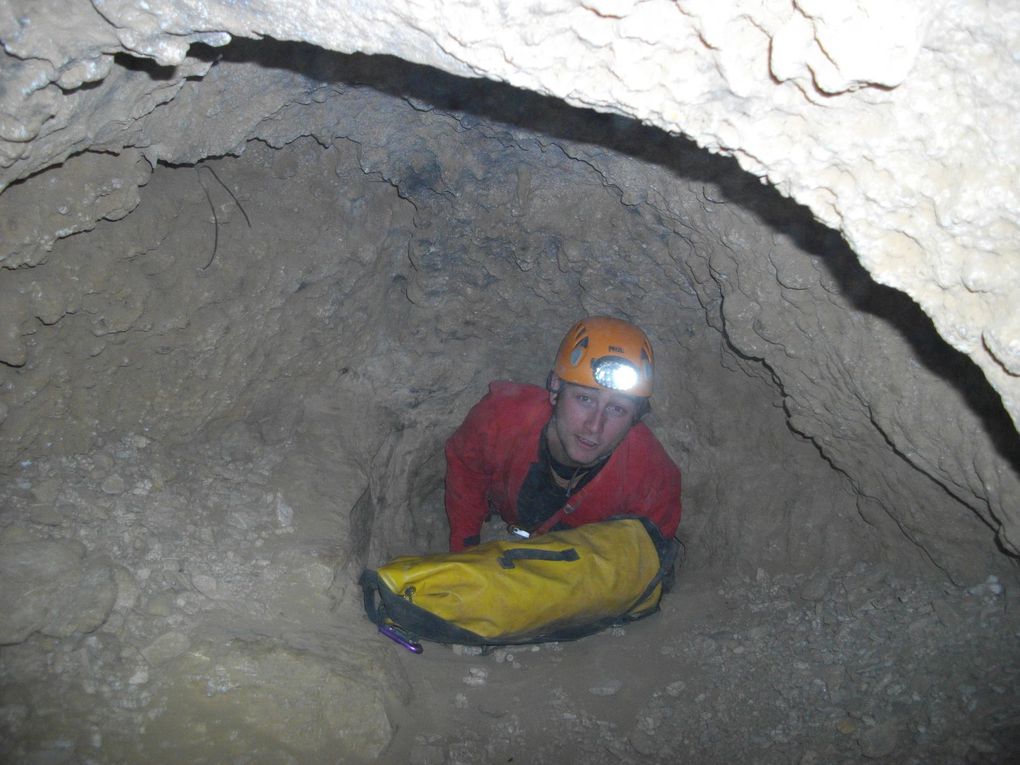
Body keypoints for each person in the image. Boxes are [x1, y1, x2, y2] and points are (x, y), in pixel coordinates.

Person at [444, 316, 682, 552]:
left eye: (617, 409)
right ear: (556, 389)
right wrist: (464, 550)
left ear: (635, 417)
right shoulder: (502, 418)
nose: (594, 426)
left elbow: (650, 556)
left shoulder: (652, 478)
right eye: (585, 399)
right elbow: (466, 473)